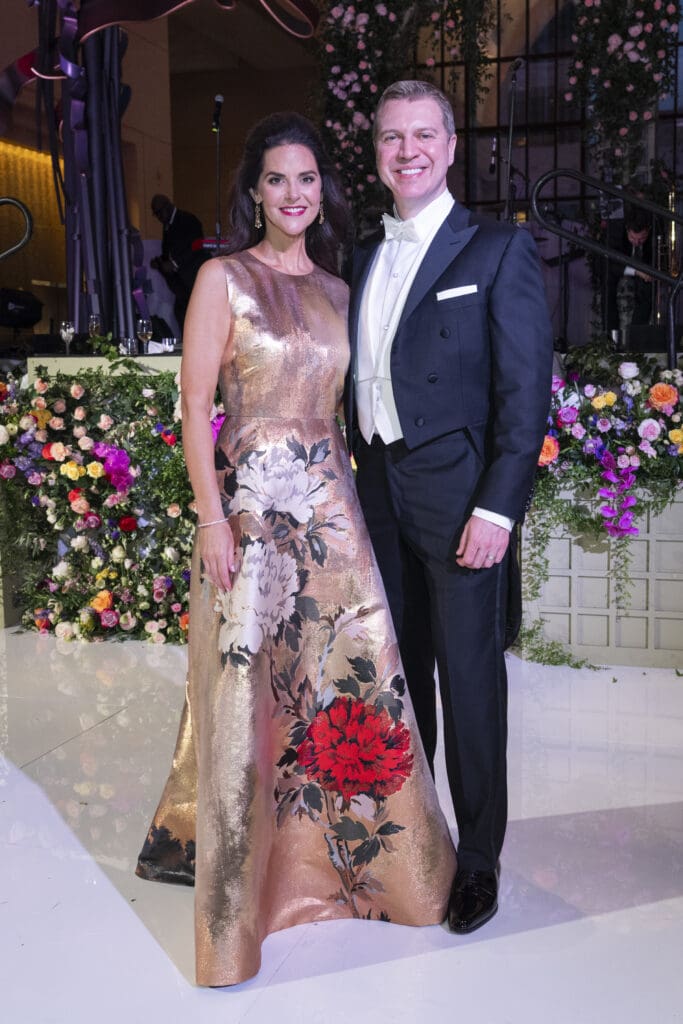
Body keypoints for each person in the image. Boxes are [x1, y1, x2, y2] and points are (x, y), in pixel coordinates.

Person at [136, 112, 456, 987]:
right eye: (276, 179)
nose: (292, 194)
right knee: (249, 689)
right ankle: (247, 889)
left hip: (333, 513)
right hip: (250, 512)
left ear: (324, 191)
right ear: (254, 192)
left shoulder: (339, 290)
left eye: (306, 179)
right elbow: (194, 402)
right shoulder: (221, 277)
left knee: (345, 681)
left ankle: (360, 869)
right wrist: (211, 518)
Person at [346, 80, 553, 935]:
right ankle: (414, 837)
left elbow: (524, 390)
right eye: (392, 138)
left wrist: (497, 510)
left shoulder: (496, 250)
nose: (407, 150)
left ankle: (477, 862)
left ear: (451, 143)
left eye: (422, 134)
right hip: (375, 494)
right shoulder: (362, 251)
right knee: (399, 680)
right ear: (377, 152)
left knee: (468, 686)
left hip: (459, 496)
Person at [150, 193, 207, 331]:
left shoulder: (188, 220)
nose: (158, 217)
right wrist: (160, 262)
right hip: (181, 283)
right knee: (182, 313)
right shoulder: (168, 224)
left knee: (192, 315)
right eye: (156, 214)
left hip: (193, 278)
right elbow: (169, 250)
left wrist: (174, 263)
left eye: (158, 213)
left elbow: (195, 247)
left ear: (167, 207)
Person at [607, 209, 654, 334]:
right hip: (619, 270)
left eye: (642, 238)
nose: (637, 242)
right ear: (627, 230)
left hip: (644, 274)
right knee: (607, 283)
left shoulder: (654, 236)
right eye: (633, 238)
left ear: (648, 232)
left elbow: (654, 261)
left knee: (648, 288)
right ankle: (612, 337)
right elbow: (611, 265)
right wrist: (637, 272)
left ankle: (637, 335)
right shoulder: (617, 233)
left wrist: (646, 273)